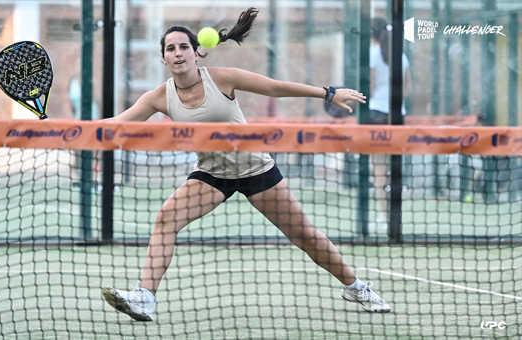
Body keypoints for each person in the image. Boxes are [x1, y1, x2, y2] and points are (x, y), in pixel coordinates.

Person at [101, 8, 391, 321]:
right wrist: (67, 129)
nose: (178, 53)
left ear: (197, 53)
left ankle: (356, 287)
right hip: (212, 175)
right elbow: (117, 125)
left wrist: (328, 93)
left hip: (257, 171)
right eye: (170, 49)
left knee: (305, 236)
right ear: (164, 59)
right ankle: (145, 297)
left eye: (183, 46)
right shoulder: (158, 97)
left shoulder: (223, 78)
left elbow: (275, 87)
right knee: (165, 219)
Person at [368, 17, 411, 233]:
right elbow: (407, 89)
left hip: (377, 114)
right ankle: (394, 216)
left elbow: (371, 85)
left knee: (380, 170)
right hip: (397, 115)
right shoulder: (401, 56)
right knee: (394, 168)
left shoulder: (372, 54)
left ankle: (384, 216)